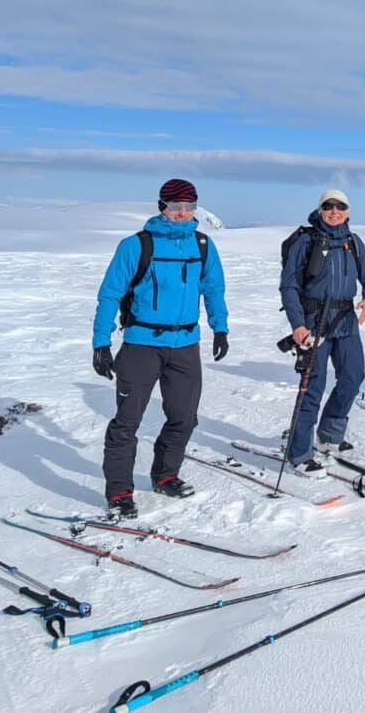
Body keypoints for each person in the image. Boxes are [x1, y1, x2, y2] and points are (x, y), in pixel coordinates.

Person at [92, 178, 229, 517]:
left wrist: (220, 328)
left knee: (184, 418)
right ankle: (119, 492)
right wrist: (101, 342)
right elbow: (110, 295)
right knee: (127, 422)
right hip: (142, 345)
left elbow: (213, 289)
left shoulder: (203, 245)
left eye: (189, 206)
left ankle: (165, 475)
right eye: (175, 206)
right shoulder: (136, 245)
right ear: (161, 207)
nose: (182, 213)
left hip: (185, 345)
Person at [279, 189, 365, 472]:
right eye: (328, 206)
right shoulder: (306, 241)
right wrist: (298, 325)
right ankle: (299, 454)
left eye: (340, 206)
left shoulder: (353, 242)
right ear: (320, 209)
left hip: (346, 321)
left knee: (352, 377)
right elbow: (289, 285)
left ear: (348, 211)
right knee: (313, 386)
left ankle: (329, 436)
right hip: (315, 322)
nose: (334, 211)